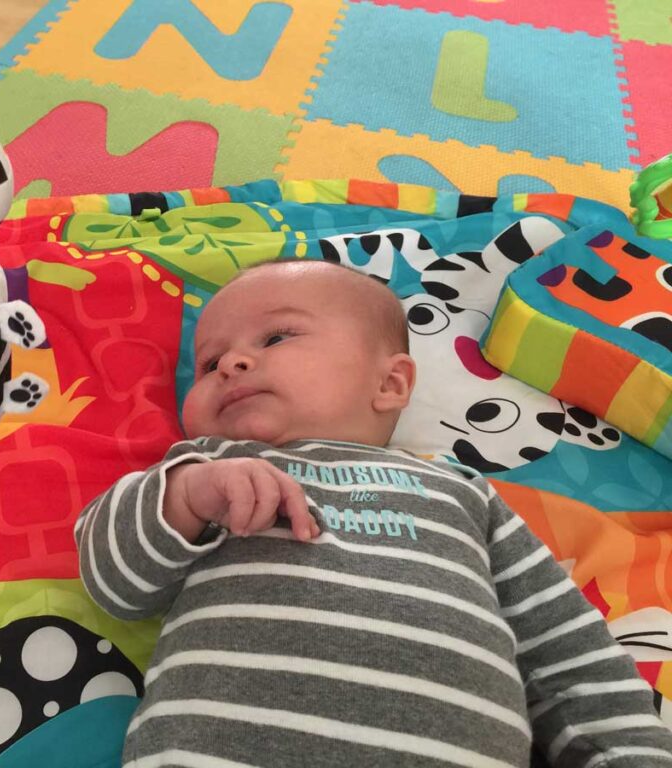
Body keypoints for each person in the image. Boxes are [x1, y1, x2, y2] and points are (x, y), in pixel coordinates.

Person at [75, 259, 672, 767]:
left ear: (389, 383)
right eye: (208, 365)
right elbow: (115, 585)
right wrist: (187, 495)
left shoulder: (463, 493)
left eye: (276, 337)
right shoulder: (202, 468)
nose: (231, 364)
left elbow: (566, 649)